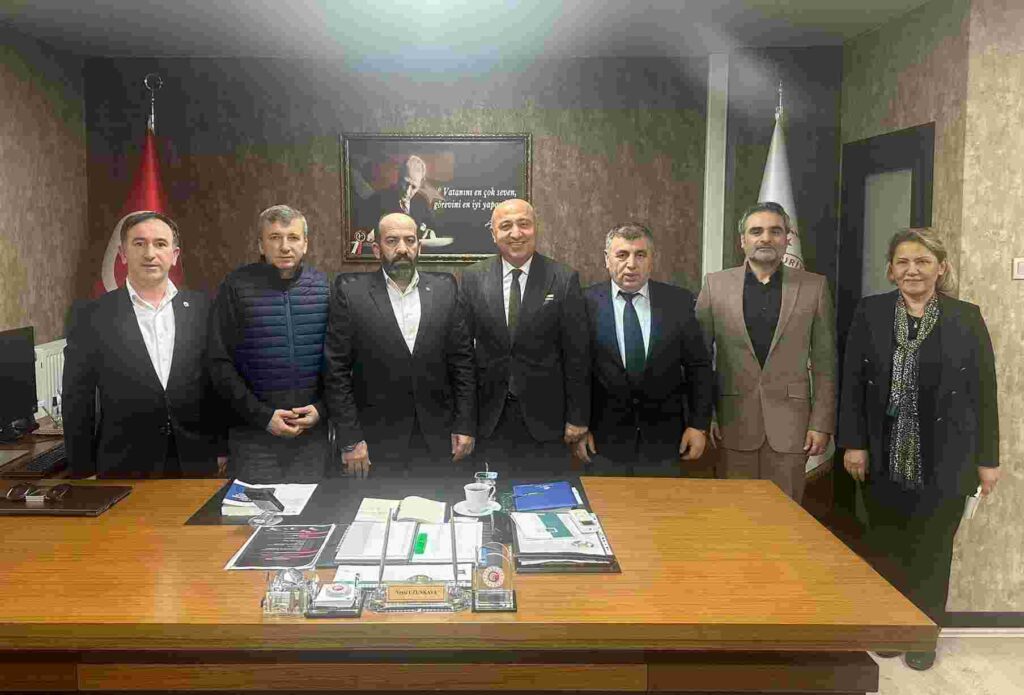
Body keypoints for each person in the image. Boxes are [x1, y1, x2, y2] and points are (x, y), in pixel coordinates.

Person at [837, 228, 999, 672]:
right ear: (891, 270)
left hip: (948, 456)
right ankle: (892, 629)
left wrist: (988, 460)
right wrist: (853, 443)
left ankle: (923, 635)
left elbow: (984, 392)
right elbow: (852, 383)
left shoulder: (966, 318)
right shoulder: (870, 313)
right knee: (887, 545)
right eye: (903, 262)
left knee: (933, 551)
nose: (913, 270)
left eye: (923, 261)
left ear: (940, 268)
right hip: (882, 453)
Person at [63, 211, 223, 478]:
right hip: (124, 464)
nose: (150, 253)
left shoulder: (202, 308)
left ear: (174, 255)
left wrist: (222, 447)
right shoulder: (91, 315)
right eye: (139, 243)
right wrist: (82, 469)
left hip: (196, 461)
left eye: (160, 244)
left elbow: (216, 382)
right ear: (123, 254)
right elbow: (77, 399)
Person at [695, 201, 836, 502]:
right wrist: (705, 415)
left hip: (792, 426)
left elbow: (825, 362)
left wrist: (821, 423)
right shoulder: (715, 285)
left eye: (775, 231)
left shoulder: (814, 287)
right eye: (756, 231)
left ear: (788, 238)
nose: (765, 238)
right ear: (742, 240)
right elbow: (699, 360)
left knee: (785, 514)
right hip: (732, 422)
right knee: (736, 514)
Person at [323, 213, 476, 478]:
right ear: (376, 249)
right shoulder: (351, 293)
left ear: (419, 247)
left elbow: (462, 362)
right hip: (375, 443)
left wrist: (465, 424)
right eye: (392, 241)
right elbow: (335, 372)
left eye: (410, 240)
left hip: (439, 440)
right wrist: (350, 439)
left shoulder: (445, 289)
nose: (402, 248)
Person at [459, 198, 590, 476]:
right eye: (506, 226)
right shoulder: (473, 278)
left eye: (524, 224)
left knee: (543, 497)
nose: (516, 233)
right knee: (494, 496)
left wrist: (578, 418)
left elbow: (577, 355)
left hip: (547, 422)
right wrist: (464, 422)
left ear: (535, 228)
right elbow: (462, 355)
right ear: (493, 233)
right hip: (489, 419)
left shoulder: (563, 278)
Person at [578, 223, 713, 475]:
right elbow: (576, 371)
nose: (631, 264)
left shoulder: (678, 301)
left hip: (665, 442)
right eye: (622, 255)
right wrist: (580, 426)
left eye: (640, 255)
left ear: (652, 260)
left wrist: (698, 425)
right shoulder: (584, 303)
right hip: (603, 442)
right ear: (607, 259)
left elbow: (699, 367)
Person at [207, 205, 330, 482]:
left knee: (311, 509)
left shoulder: (324, 288)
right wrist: (263, 417)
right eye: (275, 237)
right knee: (253, 509)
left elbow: (339, 362)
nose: (285, 246)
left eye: (293, 237)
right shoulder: (235, 287)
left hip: (311, 439)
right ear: (261, 245)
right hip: (253, 438)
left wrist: (321, 410)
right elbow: (219, 363)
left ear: (305, 244)